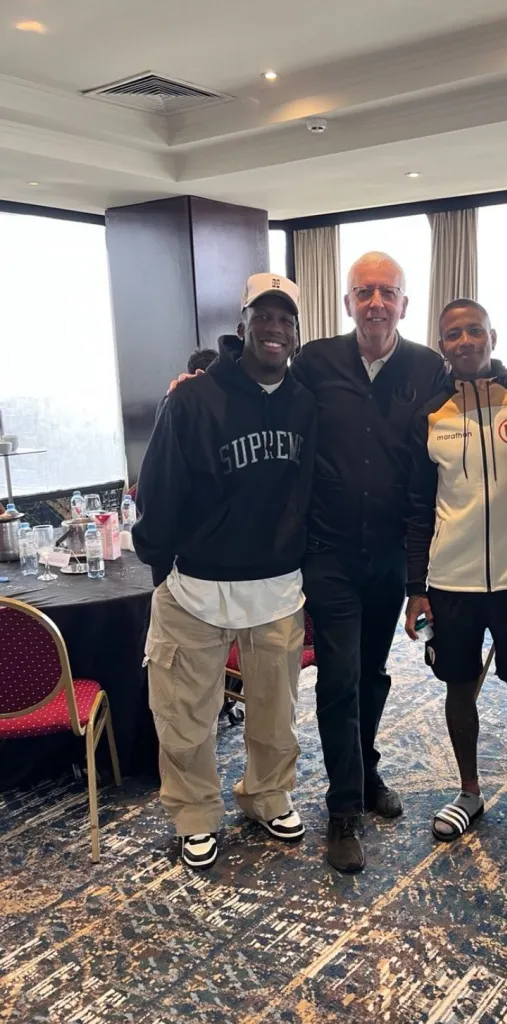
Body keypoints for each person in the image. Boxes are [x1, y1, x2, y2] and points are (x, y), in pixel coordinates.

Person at [171, 252, 507, 874]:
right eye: (364, 292)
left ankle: (372, 768)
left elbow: (502, 387)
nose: (376, 301)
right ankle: (344, 809)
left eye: (388, 292)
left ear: (404, 305)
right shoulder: (317, 359)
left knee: (376, 675)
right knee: (341, 679)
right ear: (348, 302)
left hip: (400, 557)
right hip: (328, 552)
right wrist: (201, 377)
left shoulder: (430, 369)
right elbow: (256, 364)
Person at [133, 273, 316, 870]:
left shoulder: (304, 401)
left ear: (295, 332)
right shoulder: (191, 399)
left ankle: (267, 794)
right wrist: (161, 565)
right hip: (195, 588)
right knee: (185, 713)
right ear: (242, 325)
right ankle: (194, 812)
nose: (274, 327)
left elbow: (312, 490)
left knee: (274, 712)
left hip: (278, 588)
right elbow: (157, 489)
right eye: (263, 316)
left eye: (285, 318)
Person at [404, 300, 507, 854]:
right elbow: (419, 510)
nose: (465, 340)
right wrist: (416, 588)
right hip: (452, 581)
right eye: (453, 334)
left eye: (474, 330)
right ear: (442, 344)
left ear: (492, 336)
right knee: (458, 689)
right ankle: (468, 791)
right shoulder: (429, 414)